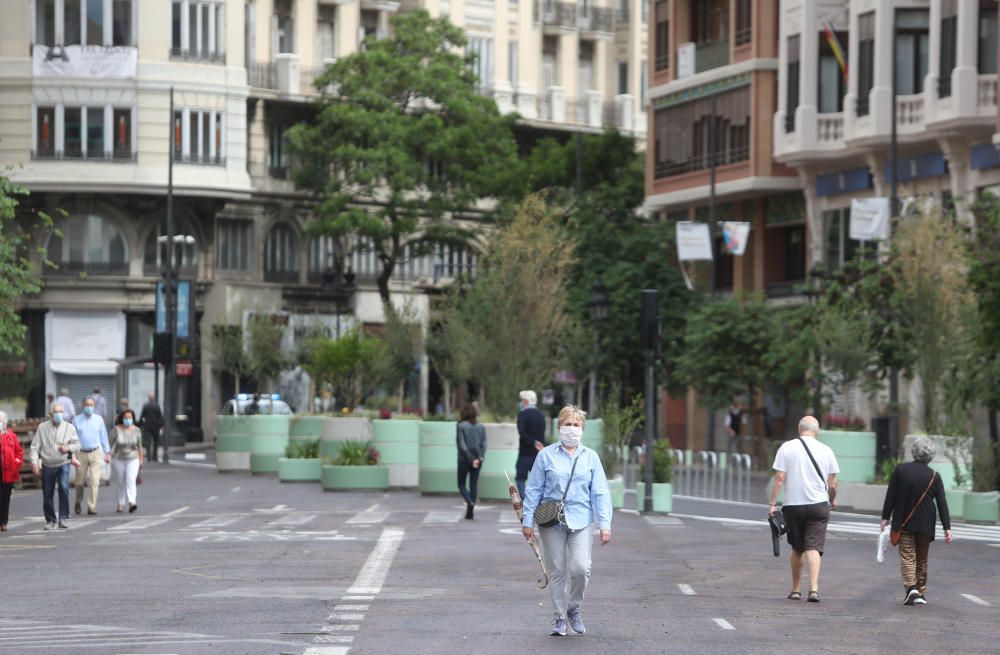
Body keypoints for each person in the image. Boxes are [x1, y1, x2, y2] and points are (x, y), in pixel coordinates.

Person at [522, 405, 612, 637]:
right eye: (567, 424)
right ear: (559, 427)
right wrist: (527, 520)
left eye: (576, 425)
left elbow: (600, 492)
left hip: (581, 519)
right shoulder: (546, 455)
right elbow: (533, 489)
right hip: (551, 521)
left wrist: (605, 524)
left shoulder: (591, 457)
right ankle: (559, 617)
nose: (571, 429)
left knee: (582, 568)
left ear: (582, 429)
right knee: (557, 570)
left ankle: (574, 608)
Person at [768, 415, 839, 603]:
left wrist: (773, 504)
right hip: (818, 505)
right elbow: (832, 484)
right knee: (814, 547)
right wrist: (832, 500)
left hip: (793, 506)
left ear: (799, 430)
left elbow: (780, 478)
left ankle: (796, 589)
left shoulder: (787, 447)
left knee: (797, 548)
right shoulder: (827, 450)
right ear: (817, 431)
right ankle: (814, 590)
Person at [881, 437, 952, 605]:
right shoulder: (935, 476)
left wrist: (885, 517)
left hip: (904, 522)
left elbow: (891, 495)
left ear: (913, 452)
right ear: (931, 455)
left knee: (908, 556)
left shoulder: (901, 470)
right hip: (926, 524)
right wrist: (947, 527)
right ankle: (920, 591)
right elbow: (942, 503)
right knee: (922, 558)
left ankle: (911, 588)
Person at [30, 403, 80, 530]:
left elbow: (77, 445)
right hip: (47, 464)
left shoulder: (69, 427)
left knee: (63, 487)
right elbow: (35, 447)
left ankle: (63, 518)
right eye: (56, 412)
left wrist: (67, 447)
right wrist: (35, 463)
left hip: (63, 462)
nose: (58, 414)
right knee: (47, 493)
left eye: (60, 412)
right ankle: (50, 520)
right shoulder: (42, 427)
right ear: (50, 414)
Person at [73, 397, 111, 515]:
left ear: (94, 406)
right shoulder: (76, 420)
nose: (89, 407)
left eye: (91, 405)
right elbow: (72, 439)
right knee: (79, 482)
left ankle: (91, 506)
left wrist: (107, 453)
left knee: (94, 481)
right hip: (81, 453)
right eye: (87, 404)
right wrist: (72, 455)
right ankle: (78, 501)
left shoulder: (98, 420)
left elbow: (104, 437)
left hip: (95, 452)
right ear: (83, 406)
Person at [456, 403, 486, 520]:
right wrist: (479, 458)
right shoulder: (481, 426)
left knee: (461, 484)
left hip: (464, 459)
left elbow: (461, 444)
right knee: (473, 484)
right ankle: (470, 512)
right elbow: (484, 444)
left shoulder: (461, 426)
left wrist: (470, 459)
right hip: (478, 459)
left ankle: (469, 502)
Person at [110, 408, 144, 514]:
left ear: (133, 418)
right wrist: (107, 455)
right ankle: (120, 503)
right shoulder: (116, 429)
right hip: (118, 458)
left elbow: (140, 447)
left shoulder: (137, 430)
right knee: (120, 481)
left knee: (131, 480)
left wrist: (141, 460)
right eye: (125, 418)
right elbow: (109, 443)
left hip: (133, 458)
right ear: (121, 418)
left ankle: (132, 502)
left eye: (130, 418)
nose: (127, 420)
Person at [515, 390, 546, 499]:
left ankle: (525, 501)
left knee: (520, 478)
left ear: (526, 401)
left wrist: (532, 442)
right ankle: (537, 503)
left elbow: (521, 432)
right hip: (538, 453)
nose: (520, 403)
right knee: (538, 481)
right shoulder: (541, 415)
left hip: (525, 453)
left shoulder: (522, 414)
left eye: (521, 400)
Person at [0, 411, 24, 532]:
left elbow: (19, 452)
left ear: (5, 422)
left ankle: (3, 522)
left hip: (8, 473)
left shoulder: (10, 435)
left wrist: (16, 462)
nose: (0, 423)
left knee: (5, 498)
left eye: (1, 420)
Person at [139, 393, 164, 463]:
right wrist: (162, 424)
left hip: (147, 425)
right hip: (156, 425)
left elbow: (142, 415)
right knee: (156, 441)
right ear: (154, 398)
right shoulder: (157, 406)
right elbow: (160, 415)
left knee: (148, 441)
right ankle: (155, 456)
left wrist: (139, 424)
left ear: (149, 398)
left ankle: (149, 457)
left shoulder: (146, 405)